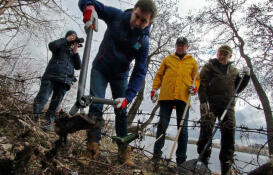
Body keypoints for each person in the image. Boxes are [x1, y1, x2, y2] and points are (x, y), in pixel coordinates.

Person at [78, 0, 157, 167]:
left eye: (143, 21)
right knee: (96, 105)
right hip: (100, 68)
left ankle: (123, 152)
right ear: (133, 10)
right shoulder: (116, 16)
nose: (137, 22)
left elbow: (140, 72)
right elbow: (86, 1)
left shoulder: (143, 43)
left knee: (121, 111)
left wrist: (128, 97)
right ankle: (92, 148)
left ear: (149, 23)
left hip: (120, 75)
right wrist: (88, 8)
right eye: (137, 16)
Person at [197, 45, 250, 175]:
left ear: (230, 56)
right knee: (206, 133)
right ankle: (203, 165)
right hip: (210, 105)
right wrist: (204, 102)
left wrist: (247, 77)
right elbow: (201, 84)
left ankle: (226, 169)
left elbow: (238, 88)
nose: (221, 56)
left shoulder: (234, 71)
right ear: (217, 54)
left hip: (228, 107)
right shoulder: (209, 67)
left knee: (228, 137)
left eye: (225, 54)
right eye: (220, 53)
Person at [150, 37, 200, 166]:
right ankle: (156, 156)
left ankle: (181, 161)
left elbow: (197, 80)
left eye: (183, 45)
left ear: (187, 47)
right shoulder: (168, 59)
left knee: (182, 130)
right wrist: (155, 88)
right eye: (178, 45)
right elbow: (159, 75)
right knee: (162, 125)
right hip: (166, 96)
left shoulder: (193, 62)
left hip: (183, 98)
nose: (180, 47)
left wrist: (194, 88)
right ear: (175, 46)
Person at [33, 30, 82, 130]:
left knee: (55, 104)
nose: (74, 38)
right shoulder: (60, 46)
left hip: (64, 81)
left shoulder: (73, 54)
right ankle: (34, 118)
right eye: (72, 36)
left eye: (75, 37)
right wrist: (66, 40)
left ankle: (48, 123)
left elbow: (78, 66)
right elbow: (52, 45)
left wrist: (75, 51)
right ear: (67, 36)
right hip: (51, 76)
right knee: (43, 97)